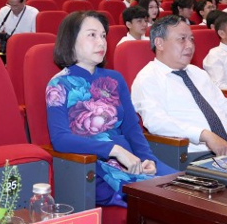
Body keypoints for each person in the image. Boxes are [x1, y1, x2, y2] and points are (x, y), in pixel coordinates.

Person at [45, 11, 174, 207]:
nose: (101, 42)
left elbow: (132, 128)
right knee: (166, 201)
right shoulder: (58, 85)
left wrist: (148, 159)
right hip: (94, 167)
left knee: (184, 187)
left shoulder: (114, 79)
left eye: (103, 35)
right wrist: (114, 150)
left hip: (133, 161)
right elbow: (60, 139)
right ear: (71, 40)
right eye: (92, 35)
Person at [133, 16, 227, 161]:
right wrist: (203, 135)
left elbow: (224, 105)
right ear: (159, 43)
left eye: (191, 39)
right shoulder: (148, 78)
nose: (189, 45)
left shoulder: (197, 73)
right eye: (182, 39)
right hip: (192, 156)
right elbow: (156, 122)